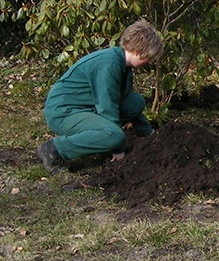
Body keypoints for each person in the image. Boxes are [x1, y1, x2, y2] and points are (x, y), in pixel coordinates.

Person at [36, 20, 163, 174]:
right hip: (63, 112)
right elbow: (107, 108)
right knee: (115, 136)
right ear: (138, 51)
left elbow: (122, 101)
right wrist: (118, 148)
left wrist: (149, 134)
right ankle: (54, 149)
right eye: (149, 57)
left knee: (135, 102)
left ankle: (100, 137)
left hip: (86, 108)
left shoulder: (123, 65)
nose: (149, 62)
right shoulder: (108, 65)